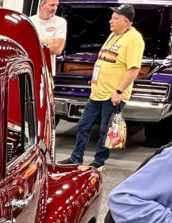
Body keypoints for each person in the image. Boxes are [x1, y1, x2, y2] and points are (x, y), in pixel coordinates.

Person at [60, 4, 143, 171]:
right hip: (98, 92)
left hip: (113, 94)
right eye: (112, 17)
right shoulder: (114, 34)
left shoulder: (134, 40)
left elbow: (134, 69)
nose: (110, 21)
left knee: (105, 130)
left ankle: (99, 161)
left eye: (115, 18)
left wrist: (119, 92)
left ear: (126, 21)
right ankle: (76, 157)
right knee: (84, 125)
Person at [28, 0, 66, 73]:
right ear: (42, 6)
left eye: (56, 5)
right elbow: (26, 46)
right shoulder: (30, 21)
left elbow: (58, 49)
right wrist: (50, 42)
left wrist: (35, 42)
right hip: (31, 70)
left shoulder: (60, 22)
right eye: (52, 5)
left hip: (48, 72)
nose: (55, 8)